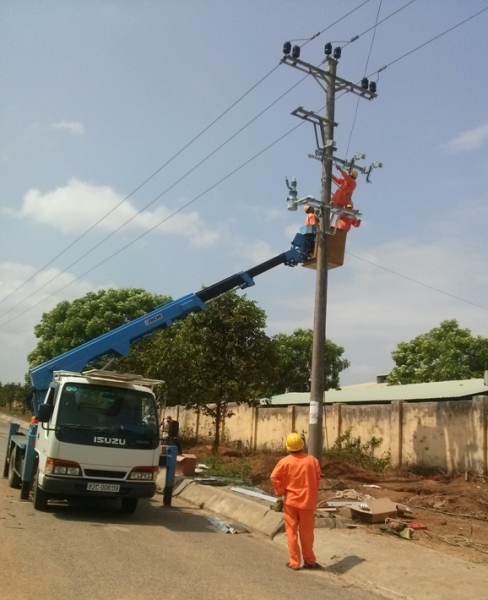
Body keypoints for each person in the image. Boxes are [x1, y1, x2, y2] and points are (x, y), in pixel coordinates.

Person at [270, 432, 322, 570]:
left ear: (288, 447)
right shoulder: (312, 461)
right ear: (302, 444)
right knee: (307, 534)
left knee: (291, 532)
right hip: (307, 503)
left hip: (291, 502)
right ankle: (310, 561)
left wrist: (280, 491)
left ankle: (294, 562)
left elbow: (273, 477)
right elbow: (317, 479)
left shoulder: (285, 462)